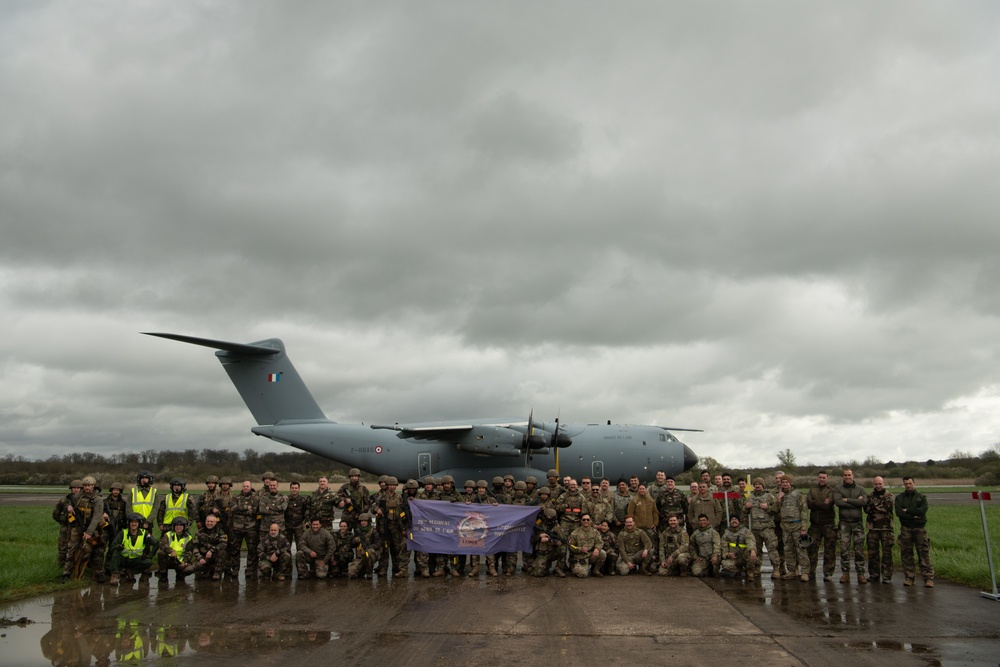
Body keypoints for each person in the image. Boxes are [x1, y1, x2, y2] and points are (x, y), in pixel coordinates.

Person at [64, 476, 106, 582]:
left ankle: (99, 573)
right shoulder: (79, 495)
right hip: (77, 527)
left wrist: (89, 532)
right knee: (71, 549)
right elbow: (69, 502)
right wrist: (68, 507)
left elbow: (97, 517)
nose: (86, 488)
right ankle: (67, 573)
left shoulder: (98, 499)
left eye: (89, 486)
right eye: (85, 486)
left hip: (92, 528)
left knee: (97, 552)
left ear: (93, 486)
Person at [896, 476, 934, 587]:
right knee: (906, 554)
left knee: (924, 553)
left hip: (920, 529)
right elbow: (899, 513)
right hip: (906, 529)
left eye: (910, 483)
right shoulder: (900, 498)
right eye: (906, 484)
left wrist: (907, 510)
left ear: (914, 483)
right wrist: (913, 516)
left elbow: (922, 510)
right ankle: (909, 578)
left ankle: (928, 578)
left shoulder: (921, 497)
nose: (908, 485)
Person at [833, 469, 867, 584]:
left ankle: (861, 573)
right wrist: (855, 502)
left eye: (849, 475)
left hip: (858, 523)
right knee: (844, 550)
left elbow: (863, 503)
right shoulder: (838, 489)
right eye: (845, 475)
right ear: (842, 476)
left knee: (859, 550)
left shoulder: (861, 489)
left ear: (853, 476)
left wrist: (847, 500)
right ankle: (845, 573)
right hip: (844, 523)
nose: (847, 477)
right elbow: (838, 502)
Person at [776, 474, 810, 582]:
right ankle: (792, 571)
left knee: (801, 549)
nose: (785, 484)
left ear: (790, 483)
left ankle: (805, 572)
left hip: (797, 526)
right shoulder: (781, 496)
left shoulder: (798, 495)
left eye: (787, 482)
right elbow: (774, 510)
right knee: (788, 550)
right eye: (783, 482)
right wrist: (778, 499)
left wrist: (803, 528)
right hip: (785, 527)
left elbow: (804, 512)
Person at [744, 477, 779, 579]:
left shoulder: (769, 496)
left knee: (772, 549)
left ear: (763, 486)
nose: (758, 486)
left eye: (760, 484)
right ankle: (757, 568)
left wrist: (767, 507)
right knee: (757, 550)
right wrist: (746, 507)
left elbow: (776, 510)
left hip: (767, 527)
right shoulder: (750, 497)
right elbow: (744, 511)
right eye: (756, 484)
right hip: (755, 528)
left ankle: (776, 569)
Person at [806, 471, 837, 582]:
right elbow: (808, 504)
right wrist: (819, 503)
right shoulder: (812, 489)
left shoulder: (832, 491)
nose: (822, 479)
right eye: (820, 477)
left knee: (829, 549)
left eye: (824, 477)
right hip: (814, 524)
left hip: (828, 524)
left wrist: (815, 503)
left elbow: (827, 506)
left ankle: (828, 572)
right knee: (812, 548)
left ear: (828, 478)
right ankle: (811, 572)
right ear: (817, 478)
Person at [108, 513, 153, 585]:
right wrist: (118, 547)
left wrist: (150, 554)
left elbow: (155, 543)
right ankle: (115, 575)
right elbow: (112, 547)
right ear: (128, 523)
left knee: (148, 562)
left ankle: (130, 571)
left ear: (139, 523)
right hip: (123, 559)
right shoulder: (123, 533)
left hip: (135, 560)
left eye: (136, 522)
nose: (134, 524)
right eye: (132, 522)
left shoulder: (145, 533)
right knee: (116, 552)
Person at [865, 476, 895, 584]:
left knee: (887, 554)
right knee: (872, 553)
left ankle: (887, 576)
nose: (878, 486)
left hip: (886, 528)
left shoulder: (889, 495)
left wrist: (873, 506)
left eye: (880, 484)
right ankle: (874, 574)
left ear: (883, 483)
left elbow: (886, 508)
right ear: (873, 484)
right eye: (876, 484)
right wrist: (876, 506)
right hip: (872, 528)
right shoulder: (869, 495)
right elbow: (866, 509)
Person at [227, 480, 259, 579]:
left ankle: (249, 570)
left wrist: (240, 509)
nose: (245, 488)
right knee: (235, 550)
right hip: (237, 528)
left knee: (252, 550)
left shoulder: (255, 498)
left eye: (247, 486)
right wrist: (246, 507)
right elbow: (232, 509)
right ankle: (235, 569)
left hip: (250, 528)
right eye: (244, 486)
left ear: (251, 487)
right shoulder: (236, 497)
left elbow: (254, 511)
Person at [186, 513, 228, 580]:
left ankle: (217, 572)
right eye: (208, 521)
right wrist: (199, 558)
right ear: (205, 522)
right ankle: (203, 571)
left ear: (215, 523)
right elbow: (195, 547)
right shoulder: (199, 532)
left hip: (214, 557)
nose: (209, 523)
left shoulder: (220, 531)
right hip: (203, 557)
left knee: (222, 552)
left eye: (211, 522)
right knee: (189, 571)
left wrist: (212, 550)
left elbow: (223, 544)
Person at [53, 480, 82, 572]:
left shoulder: (83, 500)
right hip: (66, 528)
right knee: (63, 548)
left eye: (78, 488)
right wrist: (65, 520)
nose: (76, 490)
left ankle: (75, 567)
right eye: (74, 488)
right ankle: (60, 567)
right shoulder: (64, 500)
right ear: (71, 489)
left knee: (77, 548)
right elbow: (55, 515)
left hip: (78, 527)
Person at [530, 508, 568, 577]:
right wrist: (539, 537)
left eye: (551, 517)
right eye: (547, 516)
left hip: (551, 552)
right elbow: (531, 539)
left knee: (563, 549)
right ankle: (546, 566)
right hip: (541, 554)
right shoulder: (539, 524)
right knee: (537, 573)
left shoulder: (557, 527)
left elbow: (562, 541)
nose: (549, 518)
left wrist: (551, 541)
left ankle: (559, 569)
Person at [719, 515, 757, 580]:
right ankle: (737, 571)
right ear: (730, 522)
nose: (734, 521)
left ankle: (749, 572)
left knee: (752, 556)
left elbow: (750, 541)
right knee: (726, 564)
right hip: (733, 557)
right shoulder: (726, 534)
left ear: (739, 522)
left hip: (744, 555)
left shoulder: (746, 531)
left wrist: (752, 550)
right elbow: (723, 547)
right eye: (732, 520)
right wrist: (727, 554)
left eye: (736, 519)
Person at [157, 516, 193, 583]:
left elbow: (189, 552)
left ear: (184, 527)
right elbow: (162, 545)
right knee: (161, 553)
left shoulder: (189, 538)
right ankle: (163, 574)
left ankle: (180, 574)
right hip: (170, 559)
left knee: (190, 569)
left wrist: (184, 562)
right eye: (176, 525)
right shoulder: (168, 535)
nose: (178, 527)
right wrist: (171, 551)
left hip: (180, 561)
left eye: (180, 525)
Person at [338, 468, 368, 532]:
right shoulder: (345, 487)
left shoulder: (363, 488)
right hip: (347, 516)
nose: (354, 478)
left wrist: (362, 513)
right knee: (345, 535)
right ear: (349, 477)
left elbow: (367, 503)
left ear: (358, 477)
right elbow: (337, 497)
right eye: (352, 476)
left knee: (359, 536)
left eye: (355, 476)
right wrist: (345, 499)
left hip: (359, 517)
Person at [284, 481, 311, 546]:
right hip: (287, 525)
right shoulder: (285, 499)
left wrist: (307, 521)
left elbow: (307, 511)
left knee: (300, 545)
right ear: (290, 489)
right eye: (292, 488)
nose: (294, 490)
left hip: (299, 526)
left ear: (298, 489)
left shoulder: (303, 500)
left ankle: (300, 556)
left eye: (296, 488)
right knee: (286, 545)